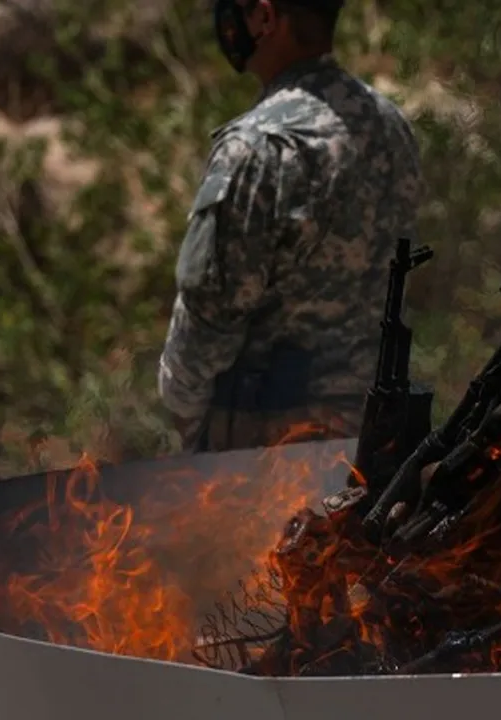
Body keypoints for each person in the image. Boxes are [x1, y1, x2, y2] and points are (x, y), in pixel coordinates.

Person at [158, 0, 423, 452]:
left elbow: (210, 310)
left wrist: (183, 414)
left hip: (266, 448)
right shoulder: (391, 127)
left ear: (265, 17)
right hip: (369, 434)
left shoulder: (257, 145)